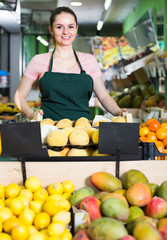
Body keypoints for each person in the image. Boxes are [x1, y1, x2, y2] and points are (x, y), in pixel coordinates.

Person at [14, 6, 127, 121]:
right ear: (51, 29)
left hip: (82, 130)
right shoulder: (38, 61)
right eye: (59, 27)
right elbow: (19, 96)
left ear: (76, 29)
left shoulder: (89, 61)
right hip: (48, 131)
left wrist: (119, 112)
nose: (66, 32)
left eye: (71, 27)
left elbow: (103, 96)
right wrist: (31, 114)